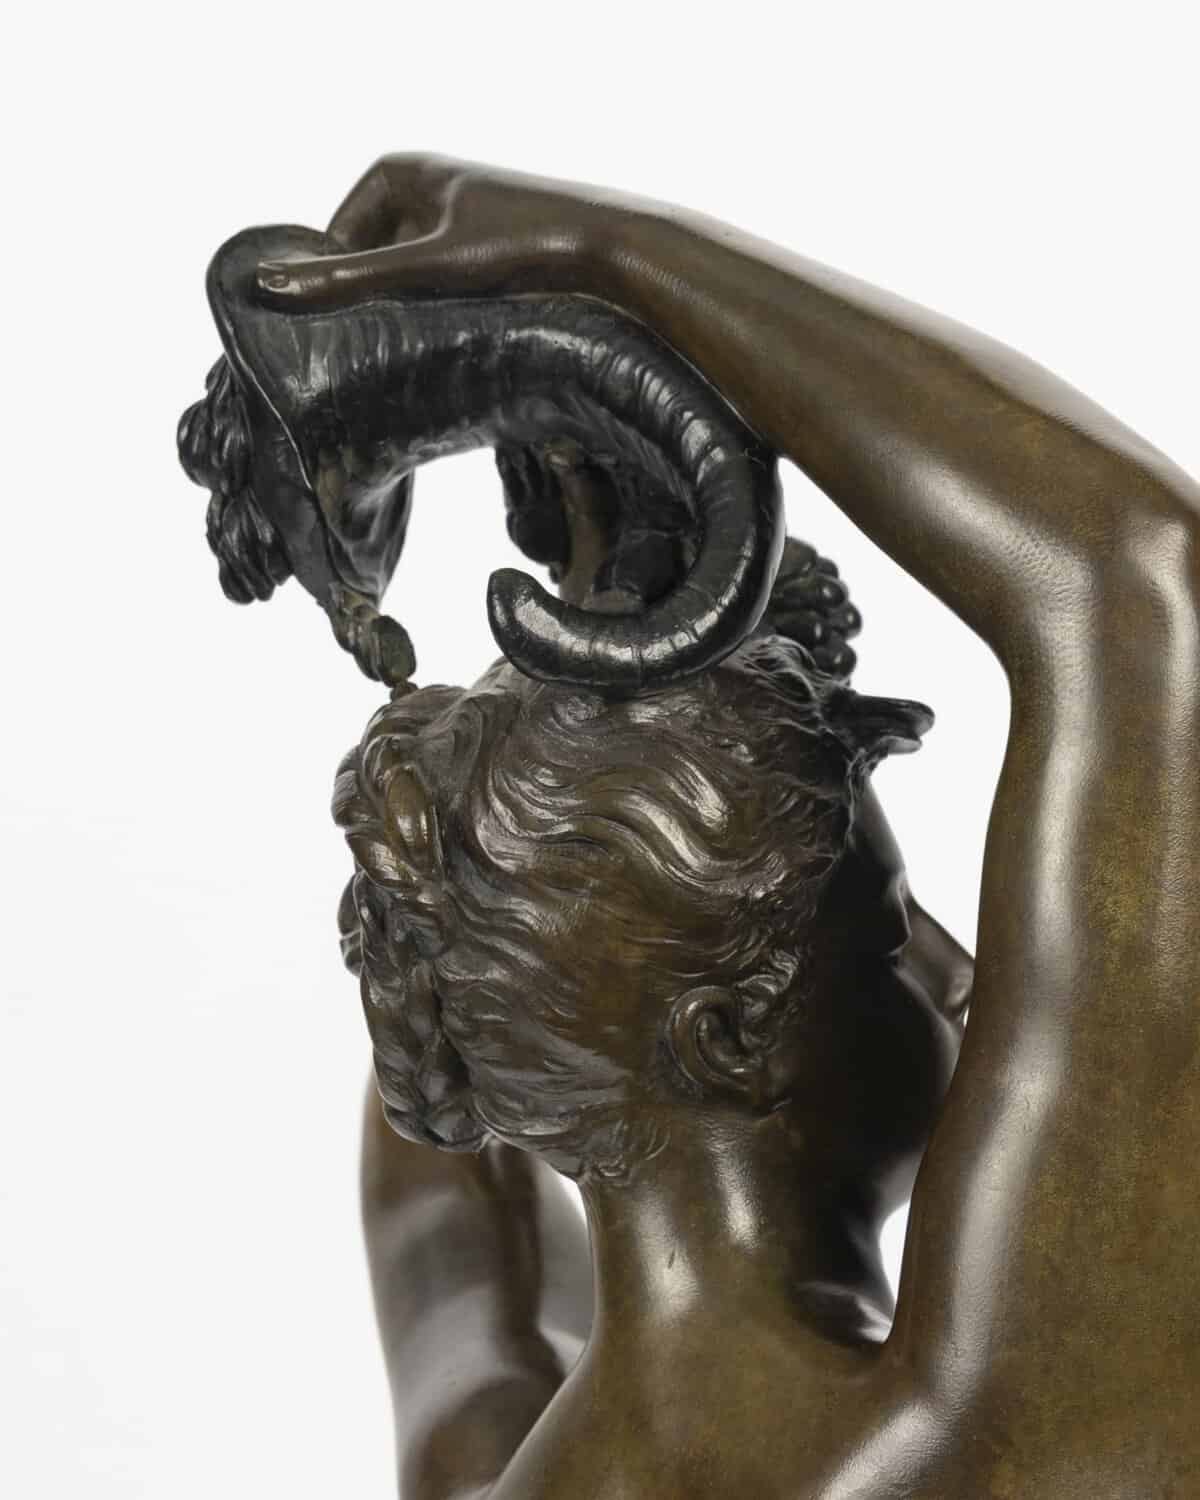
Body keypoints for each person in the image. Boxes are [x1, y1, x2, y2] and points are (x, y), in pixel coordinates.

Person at [278, 158, 1200, 1498]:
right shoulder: (971, 1431)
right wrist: (608, 260)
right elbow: (1140, 583)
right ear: (720, 1035)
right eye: (887, 932)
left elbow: (451, 1214)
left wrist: (595, 694)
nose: (960, 972)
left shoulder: (482, 1460)